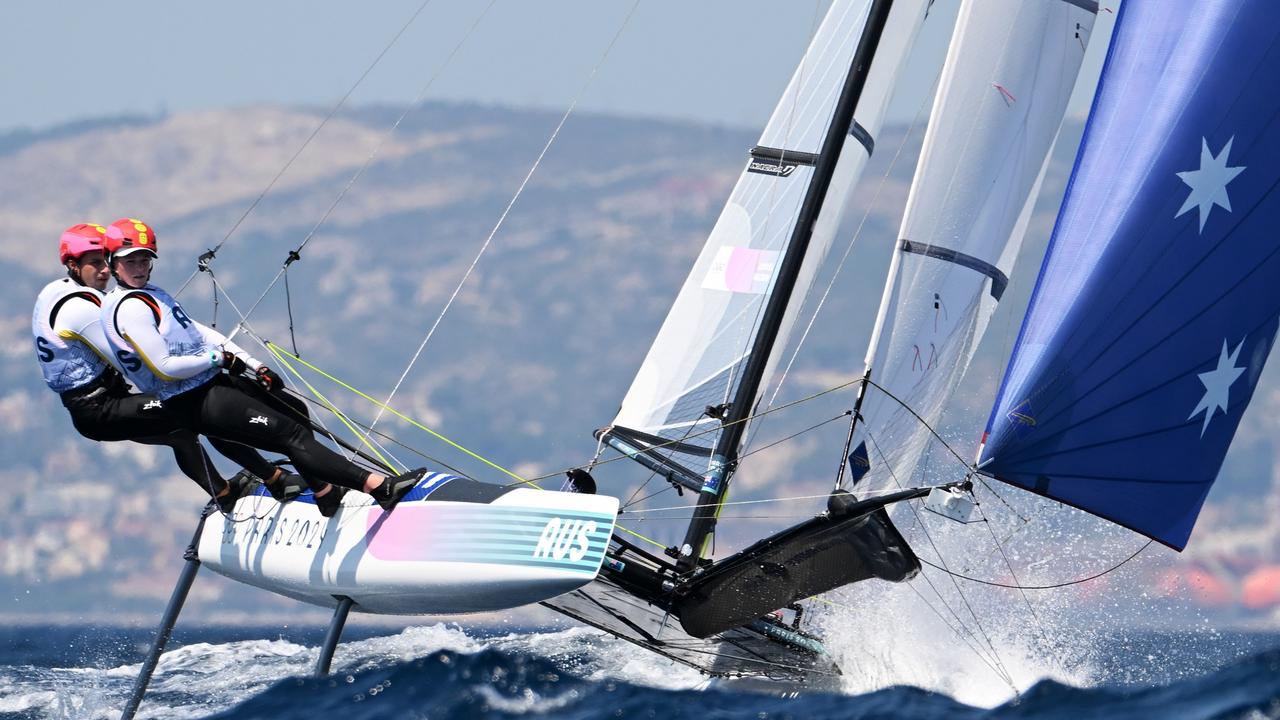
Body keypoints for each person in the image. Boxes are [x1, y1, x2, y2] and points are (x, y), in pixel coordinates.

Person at [98, 218, 426, 512]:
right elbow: (164, 367)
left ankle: (324, 491)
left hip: (211, 383)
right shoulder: (129, 309)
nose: (139, 267)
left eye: (144, 259)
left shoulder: (151, 294)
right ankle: (379, 488)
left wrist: (254, 365)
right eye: (130, 261)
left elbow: (201, 334)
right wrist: (218, 359)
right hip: (194, 399)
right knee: (291, 435)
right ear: (113, 264)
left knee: (293, 407)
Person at [32, 223, 304, 513]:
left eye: (105, 261)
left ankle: (226, 493)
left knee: (184, 430)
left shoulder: (57, 290)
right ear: (73, 266)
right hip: (101, 408)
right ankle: (272, 481)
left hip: (101, 403)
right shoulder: (81, 309)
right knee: (199, 410)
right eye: (95, 264)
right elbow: (130, 360)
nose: (105, 271)